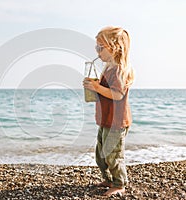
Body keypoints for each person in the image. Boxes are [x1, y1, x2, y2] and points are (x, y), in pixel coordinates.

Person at [83, 26, 134, 196]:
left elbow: (117, 95)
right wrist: (93, 88)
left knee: (112, 153)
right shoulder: (108, 68)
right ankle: (109, 178)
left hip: (117, 121)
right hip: (106, 119)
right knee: (101, 154)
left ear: (115, 47)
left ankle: (119, 183)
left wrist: (97, 87)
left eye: (100, 47)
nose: (97, 51)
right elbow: (104, 94)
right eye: (96, 47)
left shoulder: (119, 70)